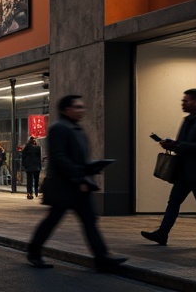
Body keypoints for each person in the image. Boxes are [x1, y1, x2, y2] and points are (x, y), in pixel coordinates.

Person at [26, 94, 126, 272]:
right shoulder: (59, 128)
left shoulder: (75, 128)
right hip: (64, 186)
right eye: (78, 107)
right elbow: (59, 158)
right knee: (53, 220)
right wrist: (80, 176)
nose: (82, 110)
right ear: (67, 110)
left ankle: (101, 257)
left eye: (82, 107)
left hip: (78, 185)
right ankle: (34, 251)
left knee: (89, 221)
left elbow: (77, 158)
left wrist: (92, 168)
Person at [141, 88, 196, 248]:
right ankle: (162, 233)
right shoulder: (188, 119)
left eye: (186, 100)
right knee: (174, 201)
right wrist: (172, 144)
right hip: (185, 170)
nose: (183, 103)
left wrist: (178, 145)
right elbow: (184, 144)